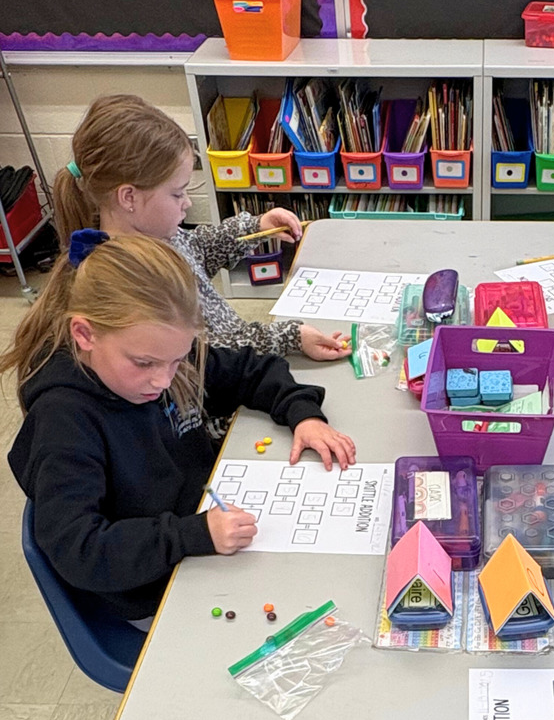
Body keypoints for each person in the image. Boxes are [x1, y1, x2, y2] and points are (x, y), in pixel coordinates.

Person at [3, 231, 357, 628]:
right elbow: (80, 550)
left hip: (203, 534)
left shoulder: (162, 352)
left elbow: (250, 369)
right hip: (155, 584)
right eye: (144, 363)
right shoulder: (64, 419)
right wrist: (193, 534)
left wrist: (303, 413)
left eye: (175, 361)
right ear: (85, 335)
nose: (162, 380)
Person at [51, 94, 349, 362]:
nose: (187, 203)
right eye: (177, 193)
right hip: (226, 383)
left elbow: (196, 246)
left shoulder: (157, 234)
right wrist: (289, 337)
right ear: (128, 197)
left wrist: (254, 226)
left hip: (245, 360)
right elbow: (205, 351)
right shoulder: (130, 280)